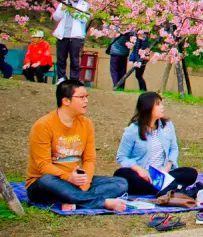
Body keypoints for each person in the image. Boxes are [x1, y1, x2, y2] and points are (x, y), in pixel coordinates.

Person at [26, 81, 128, 211]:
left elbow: (89, 160)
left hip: (76, 182)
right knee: (46, 180)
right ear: (66, 101)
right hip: (48, 183)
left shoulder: (86, 124)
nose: (86, 101)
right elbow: (43, 166)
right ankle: (101, 203)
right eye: (81, 97)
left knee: (120, 183)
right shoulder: (43, 125)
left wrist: (84, 183)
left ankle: (73, 199)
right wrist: (68, 177)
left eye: (86, 97)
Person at [114, 92, 198, 195]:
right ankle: (169, 188)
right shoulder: (132, 130)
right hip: (143, 175)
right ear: (148, 108)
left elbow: (173, 149)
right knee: (121, 175)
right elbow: (122, 157)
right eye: (158, 104)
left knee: (191, 173)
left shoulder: (167, 125)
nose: (162, 107)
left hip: (162, 173)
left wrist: (167, 167)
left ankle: (161, 188)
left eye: (161, 104)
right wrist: (139, 170)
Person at [52, 0, 90, 83]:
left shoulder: (84, 4)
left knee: (74, 59)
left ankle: (74, 78)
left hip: (75, 36)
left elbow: (85, 19)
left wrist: (74, 12)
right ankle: (61, 77)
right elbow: (56, 17)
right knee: (61, 58)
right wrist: (62, 9)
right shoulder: (64, 2)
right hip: (62, 35)